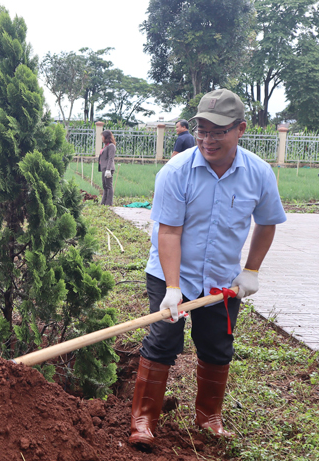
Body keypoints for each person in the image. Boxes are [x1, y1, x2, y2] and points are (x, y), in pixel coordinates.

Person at [129, 89, 286, 447]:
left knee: (217, 345)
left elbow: (267, 222)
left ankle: (208, 417)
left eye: (218, 131)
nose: (207, 139)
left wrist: (252, 271)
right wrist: (172, 289)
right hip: (172, 273)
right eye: (202, 129)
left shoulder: (259, 174)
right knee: (164, 339)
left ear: (240, 129)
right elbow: (169, 231)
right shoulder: (177, 171)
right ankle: (143, 420)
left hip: (221, 279)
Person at [98, 130, 116, 206]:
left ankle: (109, 203)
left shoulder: (111, 146)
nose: (102, 138)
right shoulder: (106, 146)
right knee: (105, 186)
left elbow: (110, 158)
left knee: (109, 186)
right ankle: (103, 203)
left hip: (108, 169)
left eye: (102, 136)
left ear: (106, 137)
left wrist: (108, 169)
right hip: (104, 168)